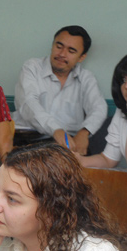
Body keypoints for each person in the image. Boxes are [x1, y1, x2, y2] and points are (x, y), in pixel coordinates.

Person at [77, 50, 127, 233]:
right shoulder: (123, 112)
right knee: (81, 215)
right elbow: (109, 159)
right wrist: (77, 160)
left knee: (110, 224)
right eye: (123, 79)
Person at [13, 25, 108, 155]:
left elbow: (99, 108)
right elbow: (29, 103)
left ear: (81, 57)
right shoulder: (32, 67)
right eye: (59, 46)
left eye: (71, 50)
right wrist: (56, 130)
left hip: (67, 144)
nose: (62, 54)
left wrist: (85, 132)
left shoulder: (86, 77)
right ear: (52, 45)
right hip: (26, 138)